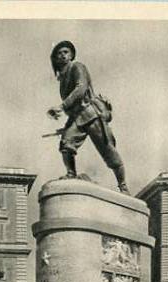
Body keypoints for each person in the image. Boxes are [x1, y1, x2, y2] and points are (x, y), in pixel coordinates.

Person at [47, 40, 130, 195]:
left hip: (90, 115)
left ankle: (123, 185)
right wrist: (66, 124)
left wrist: (61, 107)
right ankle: (71, 173)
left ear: (71, 54)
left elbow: (81, 89)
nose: (62, 56)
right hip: (76, 118)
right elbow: (73, 104)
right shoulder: (62, 80)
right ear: (56, 60)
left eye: (65, 52)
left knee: (109, 153)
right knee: (66, 143)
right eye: (59, 54)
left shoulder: (77, 67)